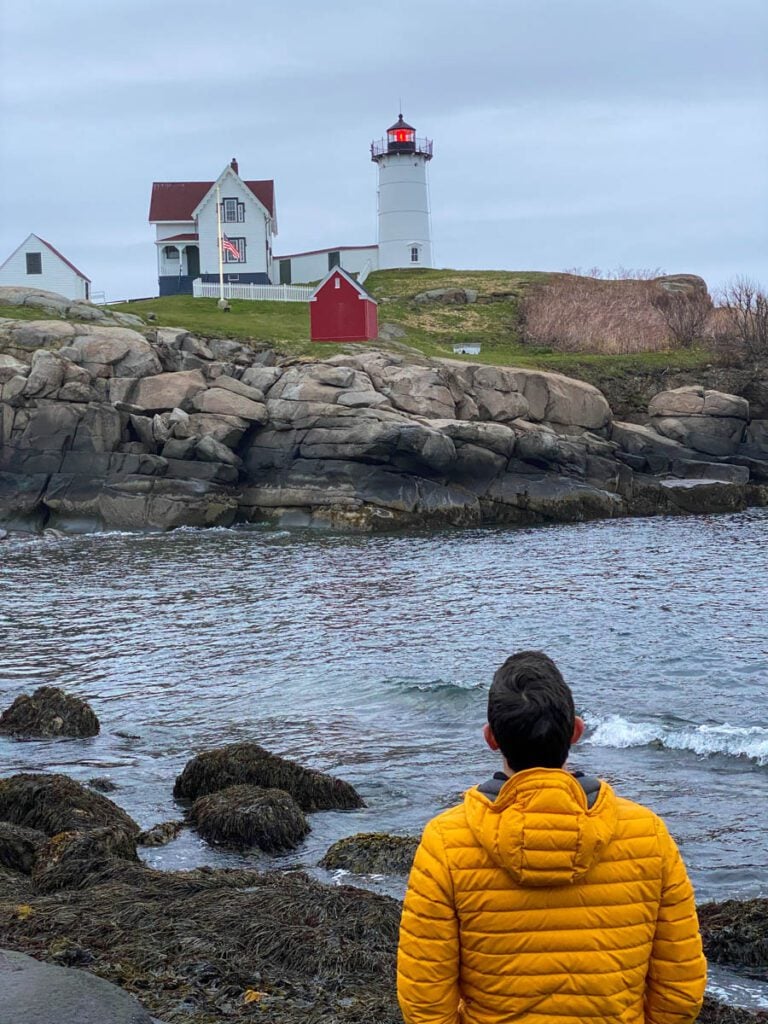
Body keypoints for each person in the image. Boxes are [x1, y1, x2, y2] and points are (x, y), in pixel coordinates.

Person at [397, 650, 707, 1024]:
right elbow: (681, 993)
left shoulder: (446, 841)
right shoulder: (648, 834)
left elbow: (425, 1004)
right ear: (577, 730)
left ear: (491, 738)